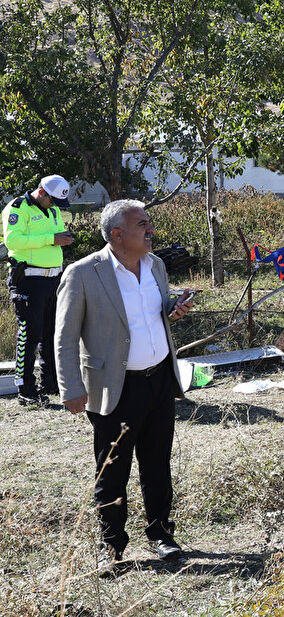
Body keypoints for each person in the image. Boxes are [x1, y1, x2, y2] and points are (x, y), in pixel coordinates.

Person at [54, 199, 195, 571]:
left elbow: (155, 311)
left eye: (149, 222)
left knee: (157, 463)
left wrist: (172, 309)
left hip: (160, 380)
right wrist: (70, 387)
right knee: (113, 468)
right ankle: (111, 544)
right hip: (114, 387)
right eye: (142, 224)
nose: (151, 229)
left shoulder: (157, 265)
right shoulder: (83, 273)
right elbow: (64, 337)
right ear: (117, 234)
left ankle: (162, 535)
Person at [3, 174, 74, 406]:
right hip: (29, 280)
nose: (55, 206)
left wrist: (62, 239)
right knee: (29, 335)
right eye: (52, 200)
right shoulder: (17, 208)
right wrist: (51, 239)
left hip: (53, 279)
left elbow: (55, 237)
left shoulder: (52, 210)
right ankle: (25, 389)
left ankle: (50, 382)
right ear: (42, 192)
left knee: (52, 334)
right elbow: (13, 241)